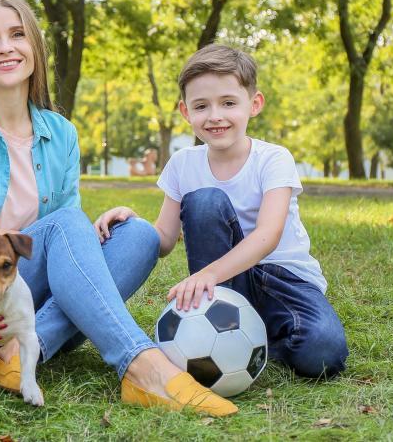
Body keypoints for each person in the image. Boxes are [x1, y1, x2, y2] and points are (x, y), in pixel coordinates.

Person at [0, 0, 237, 416]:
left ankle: (18, 354)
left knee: (137, 234)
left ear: (35, 50)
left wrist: (92, 228)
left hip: (24, 293)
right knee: (67, 223)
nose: (5, 46)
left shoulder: (60, 133)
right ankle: (143, 365)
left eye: (18, 35)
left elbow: (63, 239)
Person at [96, 44, 348, 379]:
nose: (215, 115)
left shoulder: (273, 159)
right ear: (186, 112)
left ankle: (259, 340)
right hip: (223, 287)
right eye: (202, 106)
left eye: (228, 103)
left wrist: (208, 274)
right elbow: (165, 239)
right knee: (204, 201)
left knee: (323, 354)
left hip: (283, 278)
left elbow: (268, 235)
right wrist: (132, 221)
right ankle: (220, 328)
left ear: (253, 104)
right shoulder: (183, 164)